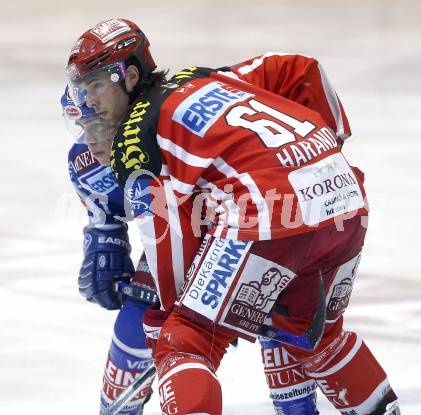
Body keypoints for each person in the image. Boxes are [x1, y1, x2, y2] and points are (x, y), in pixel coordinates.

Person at [65, 18, 401, 415]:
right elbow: (296, 68)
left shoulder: (135, 145)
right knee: (319, 338)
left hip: (267, 210)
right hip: (342, 196)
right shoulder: (204, 78)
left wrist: (171, 324)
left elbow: (169, 252)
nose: (90, 107)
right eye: (82, 94)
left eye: (96, 87)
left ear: (131, 74)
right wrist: (322, 152)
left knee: (184, 339)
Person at [61, 88, 157, 415]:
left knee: (286, 318)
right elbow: (106, 221)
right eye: (82, 127)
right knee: (135, 324)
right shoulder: (83, 163)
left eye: (98, 125)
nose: (90, 141)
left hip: (230, 227)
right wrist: (105, 251)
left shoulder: (163, 136)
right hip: (171, 239)